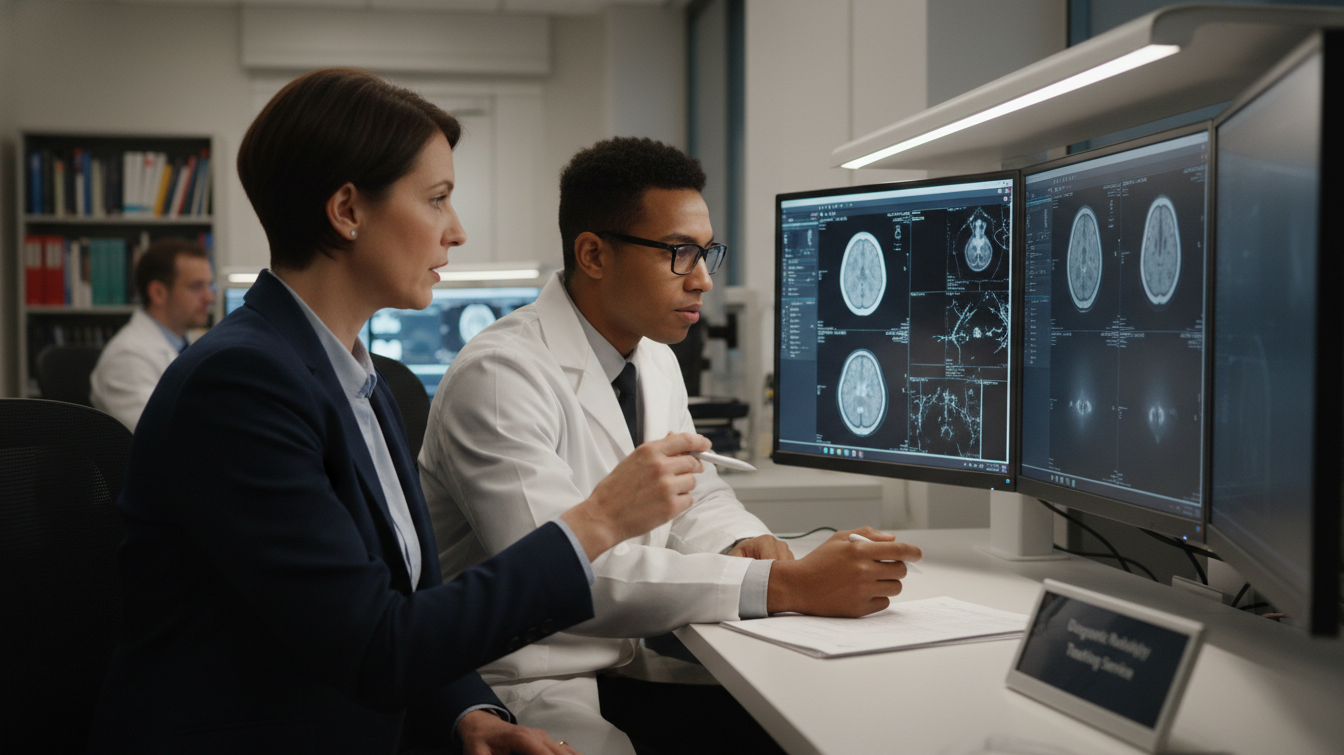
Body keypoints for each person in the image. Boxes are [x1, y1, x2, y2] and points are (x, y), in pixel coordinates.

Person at [87, 69, 716, 755]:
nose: (458, 232)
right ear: (348, 211)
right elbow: (374, 644)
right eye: (438, 199)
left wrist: (468, 714)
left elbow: (398, 608)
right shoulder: (241, 386)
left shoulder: (358, 379)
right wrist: (597, 521)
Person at [419, 137, 923, 755]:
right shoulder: (499, 377)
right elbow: (561, 577)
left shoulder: (651, 356)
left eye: (707, 252)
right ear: (594, 254)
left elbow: (695, 491)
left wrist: (738, 540)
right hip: (531, 674)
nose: (705, 280)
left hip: (629, 656)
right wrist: (783, 586)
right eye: (680, 254)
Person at [88, 237, 214, 431]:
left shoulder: (182, 345)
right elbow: (160, 437)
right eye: (196, 286)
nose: (209, 297)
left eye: (209, 285)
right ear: (158, 293)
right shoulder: (128, 357)